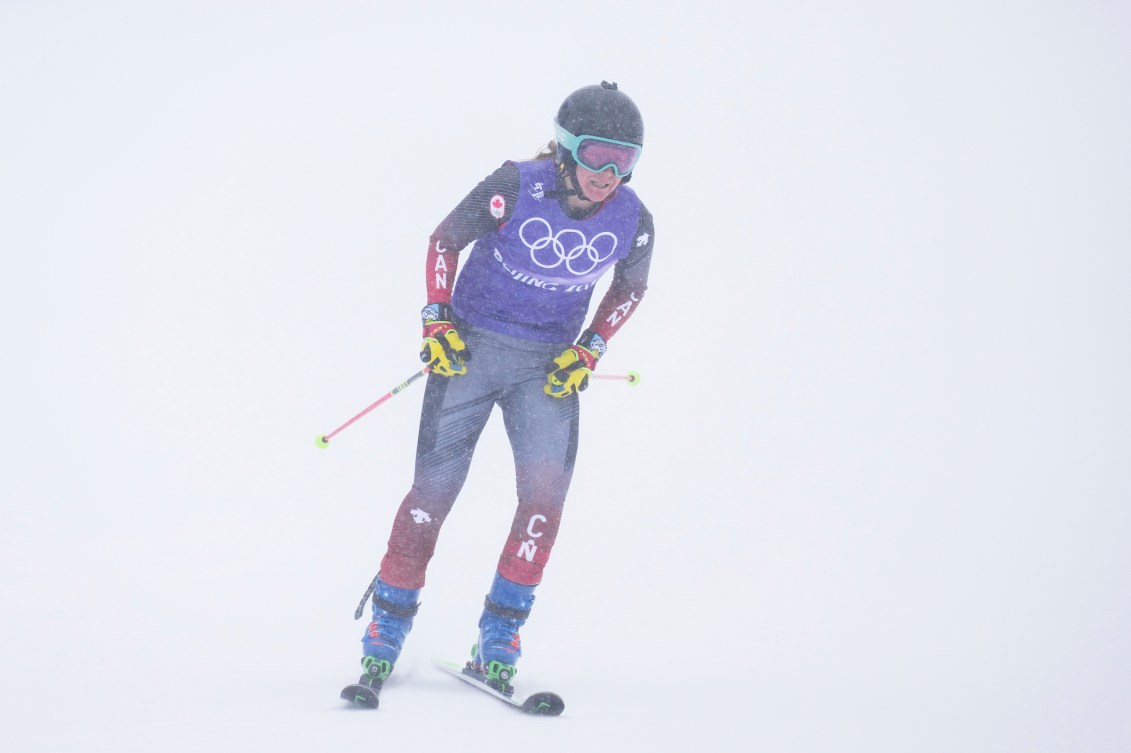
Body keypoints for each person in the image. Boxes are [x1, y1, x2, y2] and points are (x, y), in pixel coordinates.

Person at [342, 81, 655, 705]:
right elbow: (444, 239)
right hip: (471, 352)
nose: (610, 174)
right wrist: (435, 317)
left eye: (625, 161)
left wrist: (591, 346)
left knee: (543, 503)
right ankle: (388, 628)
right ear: (567, 150)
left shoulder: (634, 219)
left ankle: (499, 638)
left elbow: (631, 288)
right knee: (434, 493)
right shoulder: (518, 183)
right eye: (598, 156)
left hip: (547, 368)